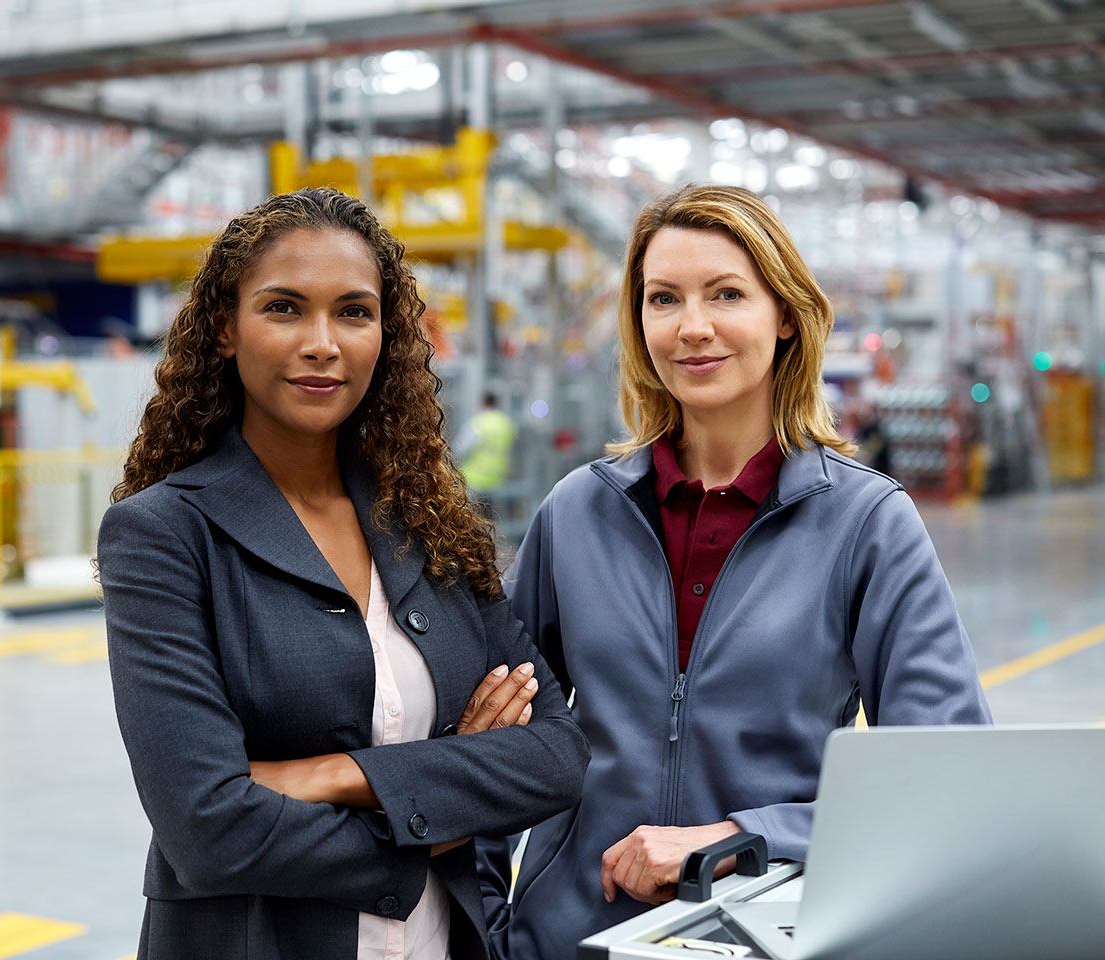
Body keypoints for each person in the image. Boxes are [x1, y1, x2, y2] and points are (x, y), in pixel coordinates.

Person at [477, 184, 990, 960]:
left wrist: (739, 836)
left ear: (785, 316)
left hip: (763, 936)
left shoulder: (867, 525)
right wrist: (490, 929)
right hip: (570, 941)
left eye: (726, 294)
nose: (693, 327)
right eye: (663, 299)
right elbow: (488, 742)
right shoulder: (575, 515)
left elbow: (945, 781)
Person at [96, 187, 588, 960]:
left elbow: (555, 758)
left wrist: (328, 775)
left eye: (354, 312)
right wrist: (449, 796)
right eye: (285, 309)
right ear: (225, 330)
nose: (323, 342)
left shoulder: (427, 520)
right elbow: (208, 830)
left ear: (386, 335)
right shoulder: (163, 534)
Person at [456, 392, 517, 515]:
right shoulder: (506, 424)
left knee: (473, 518)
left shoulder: (478, 423)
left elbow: (460, 449)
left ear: (482, 403)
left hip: (474, 479)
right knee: (492, 517)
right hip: (498, 478)